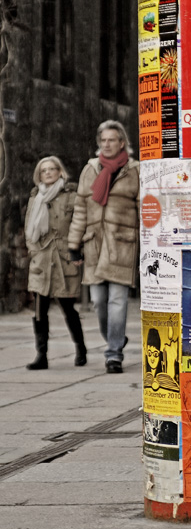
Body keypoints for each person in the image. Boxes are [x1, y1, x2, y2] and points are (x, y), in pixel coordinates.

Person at [68, 120, 139, 374]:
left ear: (122, 143)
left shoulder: (134, 170)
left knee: (118, 301)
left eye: (112, 140)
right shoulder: (90, 170)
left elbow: (145, 209)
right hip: (94, 246)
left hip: (122, 245)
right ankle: (115, 337)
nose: (107, 144)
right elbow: (80, 210)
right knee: (99, 302)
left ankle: (114, 354)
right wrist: (73, 245)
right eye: (103, 140)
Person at [24, 156, 86, 370]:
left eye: (52, 169)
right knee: (39, 309)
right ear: (39, 175)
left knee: (67, 307)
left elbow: (81, 224)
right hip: (41, 258)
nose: (48, 173)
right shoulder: (35, 197)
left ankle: (81, 347)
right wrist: (34, 252)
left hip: (63, 257)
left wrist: (77, 251)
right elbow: (28, 229)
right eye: (44, 170)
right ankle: (41, 354)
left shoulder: (71, 196)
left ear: (60, 171)